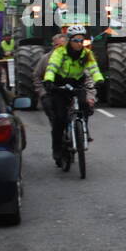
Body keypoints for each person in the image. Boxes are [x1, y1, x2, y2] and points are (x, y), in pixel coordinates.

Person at [42, 25, 103, 166]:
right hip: (60, 86)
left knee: (85, 106)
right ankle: (57, 148)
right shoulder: (60, 53)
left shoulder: (87, 53)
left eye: (82, 40)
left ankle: (83, 130)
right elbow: (52, 67)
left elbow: (94, 68)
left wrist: (99, 79)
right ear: (69, 40)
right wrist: (49, 80)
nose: (79, 44)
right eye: (76, 40)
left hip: (77, 84)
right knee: (60, 118)